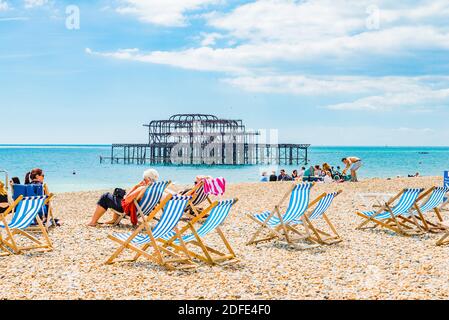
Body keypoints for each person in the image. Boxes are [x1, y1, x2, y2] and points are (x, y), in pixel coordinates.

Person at [87, 169, 160, 227]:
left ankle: (93, 222)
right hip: (137, 211)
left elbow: (127, 199)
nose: (143, 180)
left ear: (148, 179)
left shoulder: (142, 188)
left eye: (144, 179)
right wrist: (136, 187)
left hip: (128, 210)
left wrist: (136, 187)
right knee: (118, 194)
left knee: (105, 196)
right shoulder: (154, 189)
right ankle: (114, 220)